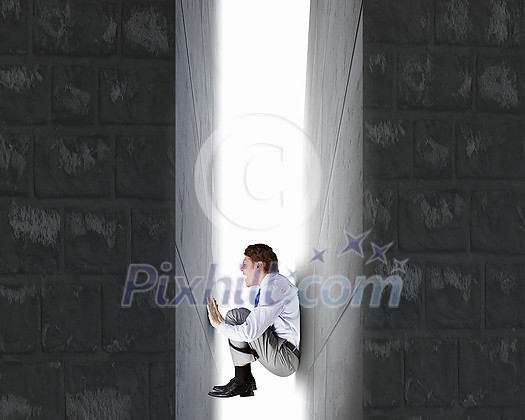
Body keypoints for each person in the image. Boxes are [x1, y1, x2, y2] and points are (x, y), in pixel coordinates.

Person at [206, 243, 300, 398]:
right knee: (236, 318)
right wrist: (225, 325)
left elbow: (250, 333)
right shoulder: (272, 284)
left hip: (285, 358)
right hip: (281, 350)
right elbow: (255, 327)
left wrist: (219, 325)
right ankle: (244, 381)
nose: (241, 269)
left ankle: (243, 381)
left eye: (245, 265)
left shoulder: (273, 288)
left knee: (236, 317)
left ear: (258, 265)